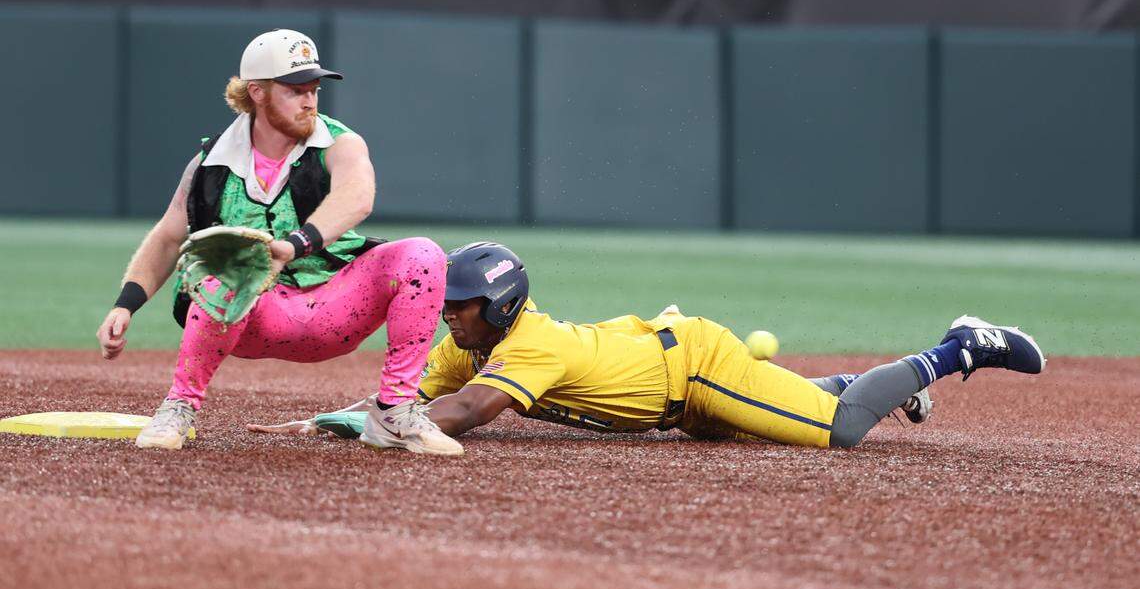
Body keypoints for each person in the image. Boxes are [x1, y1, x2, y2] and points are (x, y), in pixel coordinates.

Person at [251, 242, 1045, 448]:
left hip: (692, 367)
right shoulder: (471, 344)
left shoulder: (528, 348)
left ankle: (957, 346)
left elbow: (456, 414)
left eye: (459, 307)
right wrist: (334, 418)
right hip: (668, 388)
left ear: (498, 307)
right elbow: (409, 399)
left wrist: (379, 425)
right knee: (795, 408)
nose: (446, 316)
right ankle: (874, 380)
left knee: (837, 431)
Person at [95, 28, 462, 456]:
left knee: (422, 254)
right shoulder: (209, 164)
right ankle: (179, 406)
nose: (309, 101)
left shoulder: (339, 143)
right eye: (294, 90)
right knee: (226, 271)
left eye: (314, 89)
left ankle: (394, 413)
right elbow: (168, 236)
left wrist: (295, 244)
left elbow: (357, 196)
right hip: (254, 315)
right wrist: (125, 305)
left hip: (337, 305)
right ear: (257, 92)